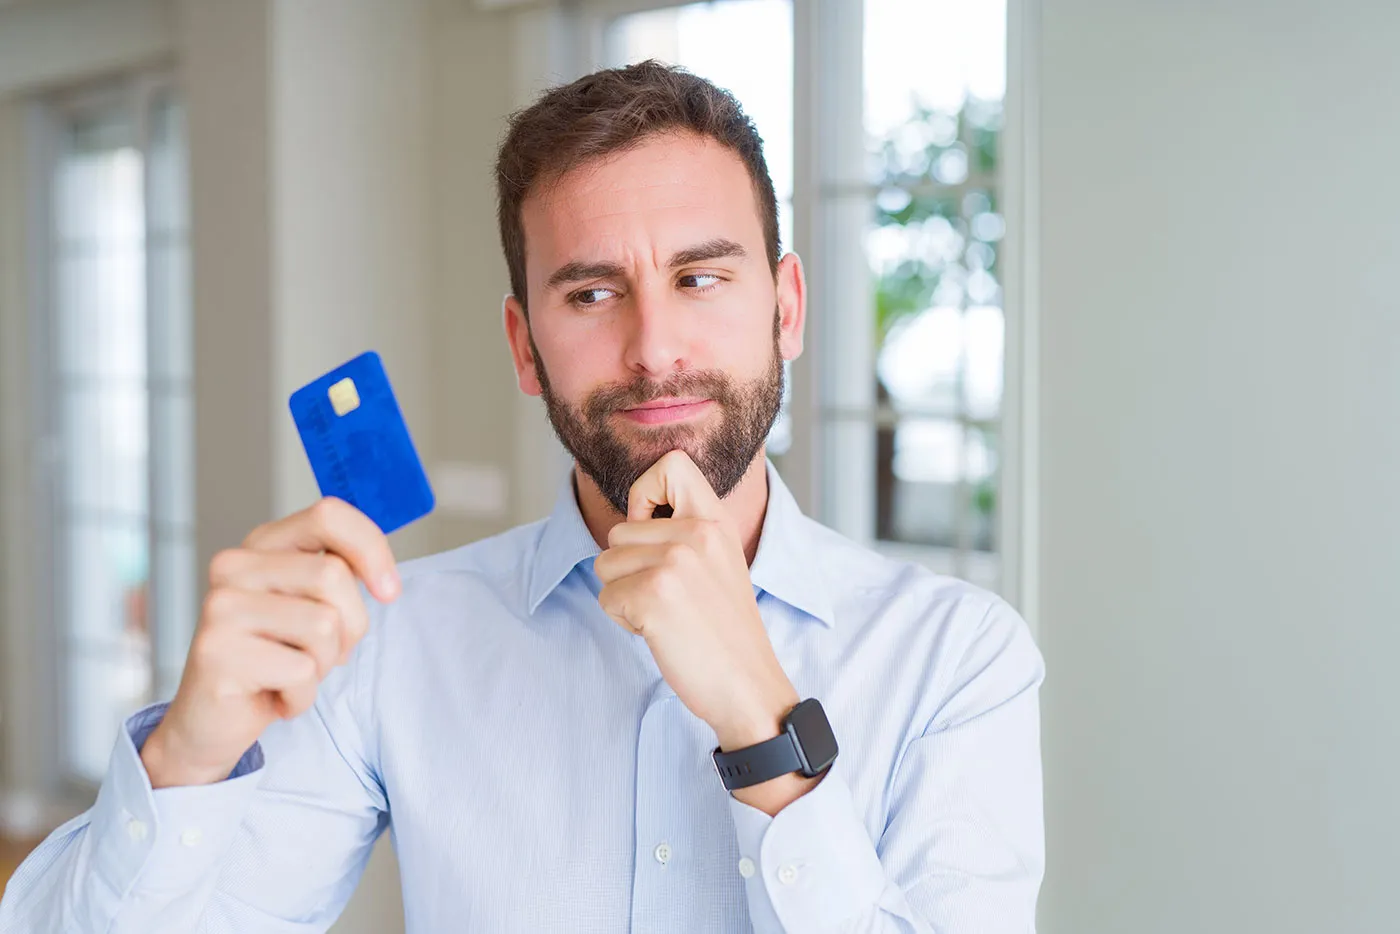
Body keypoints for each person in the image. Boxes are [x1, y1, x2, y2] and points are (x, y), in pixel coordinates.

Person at [0, 61, 1043, 933]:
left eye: (700, 277)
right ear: (524, 348)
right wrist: (186, 756)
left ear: (787, 309)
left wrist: (759, 720)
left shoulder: (960, 660)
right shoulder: (392, 645)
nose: (653, 348)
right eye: (591, 293)